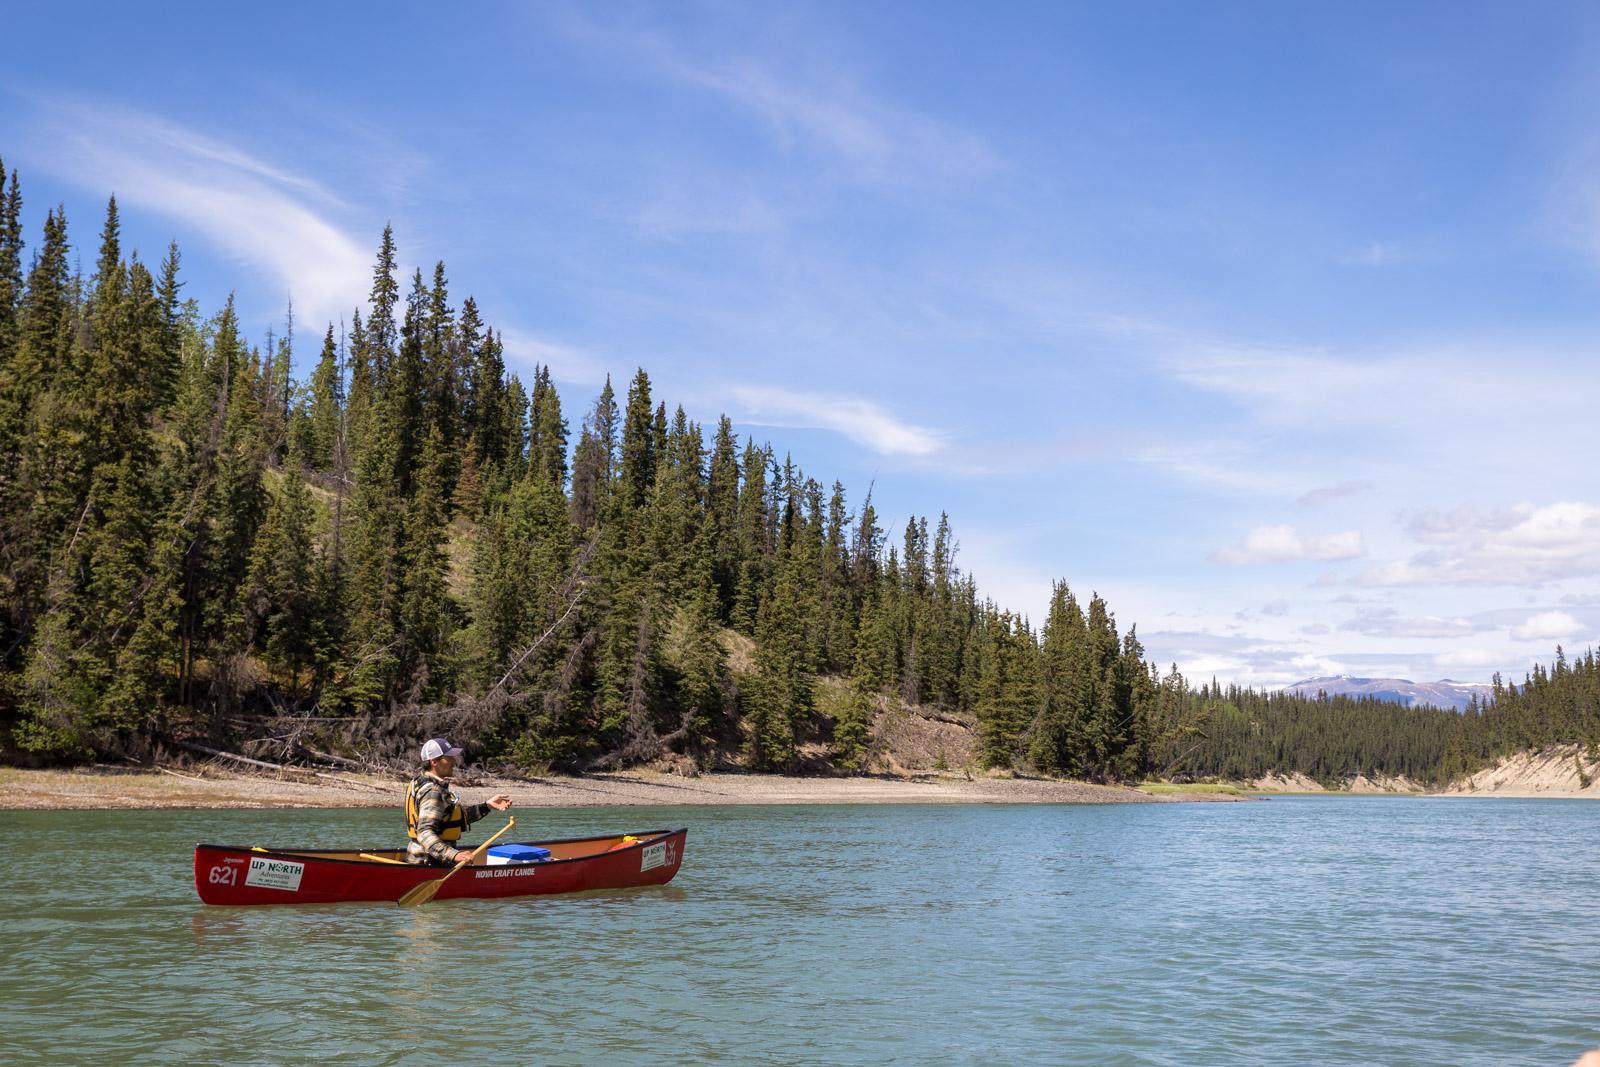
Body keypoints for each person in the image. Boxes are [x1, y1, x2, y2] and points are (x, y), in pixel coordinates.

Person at [405, 737, 513, 866]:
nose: (454, 762)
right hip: (431, 863)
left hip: (424, 860)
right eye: (449, 758)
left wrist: (487, 806)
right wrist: (455, 855)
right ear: (434, 762)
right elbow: (424, 833)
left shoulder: (420, 782)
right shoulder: (433, 791)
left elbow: (452, 820)